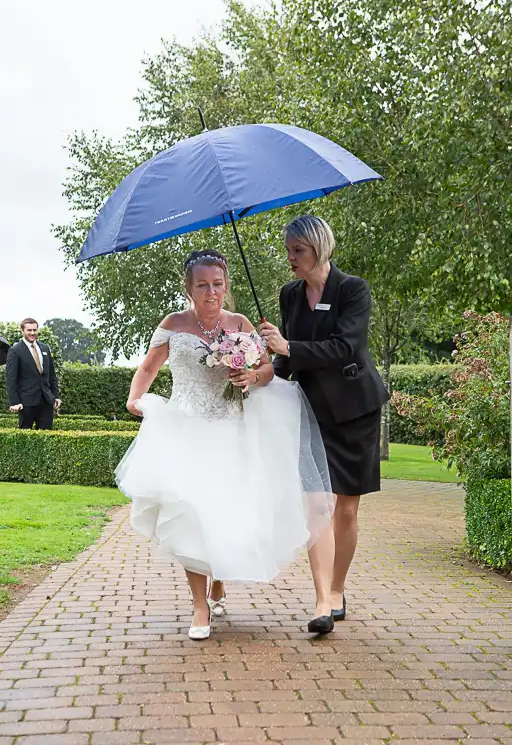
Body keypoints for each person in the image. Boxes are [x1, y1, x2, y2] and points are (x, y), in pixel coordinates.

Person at [116, 249, 335, 640]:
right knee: (193, 513)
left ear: (226, 286)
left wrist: (252, 378)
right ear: (189, 288)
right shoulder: (173, 324)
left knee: (226, 512)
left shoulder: (239, 323)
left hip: (233, 430)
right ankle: (201, 607)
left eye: (217, 284)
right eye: (203, 285)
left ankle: (219, 579)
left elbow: (267, 367)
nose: (211, 292)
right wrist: (136, 398)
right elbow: (149, 367)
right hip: (186, 429)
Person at [260, 215, 389, 623]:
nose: (290, 259)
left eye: (297, 251)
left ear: (320, 248)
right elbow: (285, 359)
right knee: (317, 504)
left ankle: (337, 590)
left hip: (355, 412)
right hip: (311, 412)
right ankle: (320, 603)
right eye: (288, 251)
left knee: (346, 510)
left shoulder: (353, 290)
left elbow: (345, 348)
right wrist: (261, 377)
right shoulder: (290, 295)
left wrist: (289, 346)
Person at [5, 318, 61, 429]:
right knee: (25, 439)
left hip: (46, 401)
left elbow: (52, 376)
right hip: (26, 403)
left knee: (46, 438)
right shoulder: (15, 351)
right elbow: (11, 379)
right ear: (22, 331)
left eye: (34, 330)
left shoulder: (45, 348)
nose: (32, 333)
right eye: (29, 330)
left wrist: (56, 396)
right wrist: (14, 402)